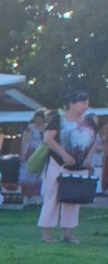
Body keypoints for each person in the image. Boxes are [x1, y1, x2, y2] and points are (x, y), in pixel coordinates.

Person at [39, 90, 97, 245]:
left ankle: (68, 234)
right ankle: (47, 234)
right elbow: (48, 139)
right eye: (83, 103)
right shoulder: (58, 119)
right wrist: (63, 154)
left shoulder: (89, 121)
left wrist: (89, 157)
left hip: (80, 166)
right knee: (52, 198)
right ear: (72, 104)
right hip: (58, 163)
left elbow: (94, 139)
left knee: (74, 200)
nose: (86, 106)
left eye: (87, 103)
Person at [17, 110, 48, 194]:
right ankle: (27, 191)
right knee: (28, 168)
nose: (38, 120)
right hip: (32, 149)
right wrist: (23, 153)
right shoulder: (30, 127)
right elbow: (25, 140)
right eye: (36, 118)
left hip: (42, 150)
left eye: (40, 118)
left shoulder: (47, 127)